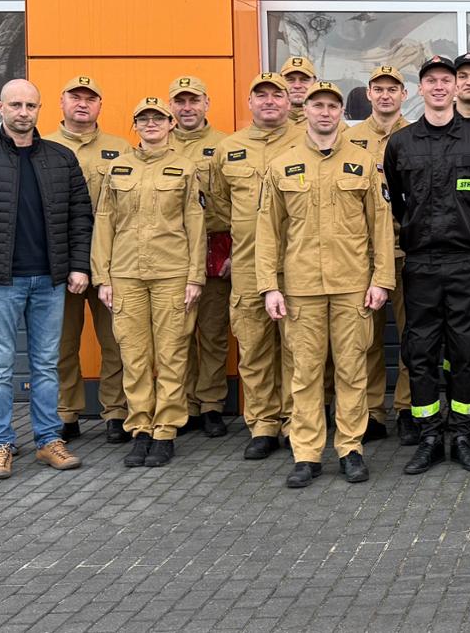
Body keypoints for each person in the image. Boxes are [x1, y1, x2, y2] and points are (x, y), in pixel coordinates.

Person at [0, 79, 91, 480]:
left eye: (30, 105)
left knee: (47, 364)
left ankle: (48, 441)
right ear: (0, 107)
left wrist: (80, 266)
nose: (23, 112)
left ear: (40, 109)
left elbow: (81, 218)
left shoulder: (61, 158)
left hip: (50, 279)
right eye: (15, 105)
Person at [258, 81, 396, 488]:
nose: (323, 112)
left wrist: (382, 279)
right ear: (307, 111)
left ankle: (350, 448)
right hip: (300, 288)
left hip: (353, 286)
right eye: (317, 105)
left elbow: (381, 227)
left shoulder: (365, 163)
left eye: (331, 106)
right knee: (304, 373)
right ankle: (306, 453)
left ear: (340, 113)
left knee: (353, 370)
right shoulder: (282, 165)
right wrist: (270, 286)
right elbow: (268, 232)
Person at [385, 55, 470, 475]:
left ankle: (462, 434)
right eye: (430, 81)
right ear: (420, 89)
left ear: (457, 88)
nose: (438, 87)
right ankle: (430, 434)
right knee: (419, 352)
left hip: (466, 262)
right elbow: (396, 202)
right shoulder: (401, 144)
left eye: (446, 81)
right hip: (420, 263)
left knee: (466, 352)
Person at [92, 96, 208, 468]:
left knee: (172, 354)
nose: (152, 124)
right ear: (135, 125)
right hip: (125, 275)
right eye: (144, 119)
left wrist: (195, 276)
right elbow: (104, 223)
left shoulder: (185, 168)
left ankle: (166, 429)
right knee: (134, 355)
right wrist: (102, 276)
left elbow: (196, 225)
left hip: (172, 274)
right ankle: (140, 426)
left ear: (171, 124)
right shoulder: (118, 169)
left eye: (159, 118)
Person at [208, 73, 304, 459]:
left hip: (297, 262)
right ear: (249, 102)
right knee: (254, 346)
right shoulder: (228, 149)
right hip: (248, 264)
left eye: (276, 95)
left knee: (298, 348)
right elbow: (217, 206)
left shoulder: (307, 140)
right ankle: (263, 424)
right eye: (260, 95)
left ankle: (297, 421)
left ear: (288, 101)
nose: (269, 102)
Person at [46, 77, 132, 442]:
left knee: (115, 341)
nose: (83, 104)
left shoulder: (122, 148)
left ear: (100, 105)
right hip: (59, 261)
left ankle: (115, 411)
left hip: (111, 262)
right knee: (63, 342)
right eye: (75, 98)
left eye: (90, 98)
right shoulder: (42, 146)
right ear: (61, 102)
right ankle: (67, 413)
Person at [345, 67, 414, 443]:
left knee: (411, 336)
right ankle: (372, 411)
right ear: (368, 94)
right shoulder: (347, 139)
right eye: (378, 89)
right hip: (362, 256)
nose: (385, 95)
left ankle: (405, 407)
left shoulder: (416, 136)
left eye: (392, 89)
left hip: (405, 249)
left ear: (404, 94)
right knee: (366, 339)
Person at [165, 76, 231, 438]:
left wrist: (234, 248)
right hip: (171, 250)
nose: (186, 108)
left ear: (207, 103)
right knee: (177, 333)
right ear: (170, 105)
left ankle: (210, 404)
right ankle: (183, 404)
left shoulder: (224, 144)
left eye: (193, 101)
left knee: (213, 331)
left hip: (214, 243)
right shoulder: (157, 142)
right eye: (180, 101)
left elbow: (233, 201)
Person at [281, 56, 316, 124]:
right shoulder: (269, 122)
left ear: (314, 82)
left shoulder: (331, 124)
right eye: (290, 80)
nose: (297, 86)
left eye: (304, 80)